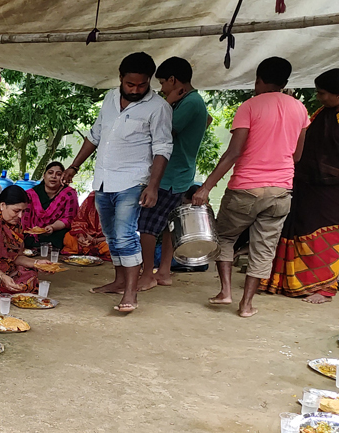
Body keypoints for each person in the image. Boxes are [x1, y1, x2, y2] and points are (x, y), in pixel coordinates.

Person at [193, 56, 309, 317]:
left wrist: (206, 187)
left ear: (258, 79)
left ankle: (225, 292)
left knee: (224, 237)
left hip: (245, 188)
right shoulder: (300, 109)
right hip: (280, 191)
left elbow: (234, 152)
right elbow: (297, 155)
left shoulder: (249, 107)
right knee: (264, 248)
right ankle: (246, 305)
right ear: (285, 82)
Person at [63, 52, 173, 313]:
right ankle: (119, 280)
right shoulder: (110, 99)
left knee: (125, 236)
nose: (136, 90)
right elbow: (95, 135)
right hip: (103, 179)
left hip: (132, 181)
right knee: (112, 236)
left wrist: (153, 186)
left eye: (142, 85)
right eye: (130, 84)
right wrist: (74, 166)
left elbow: (163, 148)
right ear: (121, 79)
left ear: (149, 81)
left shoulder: (158, 108)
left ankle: (131, 292)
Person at [137, 57, 211, 290]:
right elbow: (207, 120)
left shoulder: (189, 102)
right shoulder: (193, 101)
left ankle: (148, 273)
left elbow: (164, 129)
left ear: (173, 80)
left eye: (162, 84)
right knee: (169, 226)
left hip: (169, 175)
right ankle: (165, 271)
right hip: (180, 173)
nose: (161, 89)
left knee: (147, 226)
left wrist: (166, 103)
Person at [266, 69, 339, 303]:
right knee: (299, 226)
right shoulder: (322, 113)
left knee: (322, 233)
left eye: (323, 93)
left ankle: (327, 286)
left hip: (331, 188)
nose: (319, 97)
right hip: (306, 183)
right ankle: (292, 279)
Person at [0, 186, 44, 298]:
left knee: (30, 273)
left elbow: (15, 256)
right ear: (2, 205)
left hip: (5, 268)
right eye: (16, 211)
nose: (20, 216)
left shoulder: (14, 221)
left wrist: (37, 263)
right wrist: (0, 276)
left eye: (23, 211)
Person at [22, 162, 78, 249]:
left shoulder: (69, 194)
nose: (53, 176)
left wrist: (52, 227)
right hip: (33, 233)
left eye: (58, 174)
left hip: (57, 231)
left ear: (63, 177)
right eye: (50, 173)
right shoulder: (30, 194)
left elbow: (69, 219)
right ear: (44, 176)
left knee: (67, 238)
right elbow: (24, 218)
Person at [61, 192, 110, 259]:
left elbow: (121, 233)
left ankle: (93, 251)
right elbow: (80, 220)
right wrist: (81, 235)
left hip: (104, 240)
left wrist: (96, 240)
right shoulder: (91, 199)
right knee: (69, 237)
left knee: (112, 246)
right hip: (87, 236)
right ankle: (87, 250)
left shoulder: (119, 203)